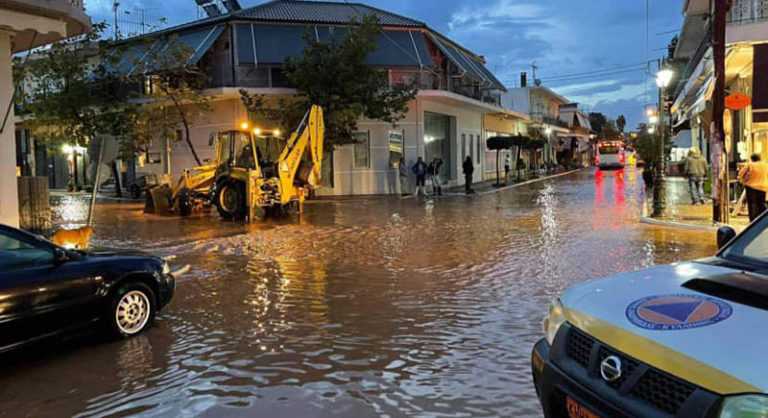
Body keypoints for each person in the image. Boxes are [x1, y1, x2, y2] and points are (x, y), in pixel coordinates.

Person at [738, 153, 768, 221]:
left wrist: (743, 181)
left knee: (752, 204)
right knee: (761, 204)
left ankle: (752, 220)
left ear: (752, 159)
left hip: (751, 187)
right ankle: (762, 220)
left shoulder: (749, 165)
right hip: (763, 187)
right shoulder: (766, 165)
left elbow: (740, 174)